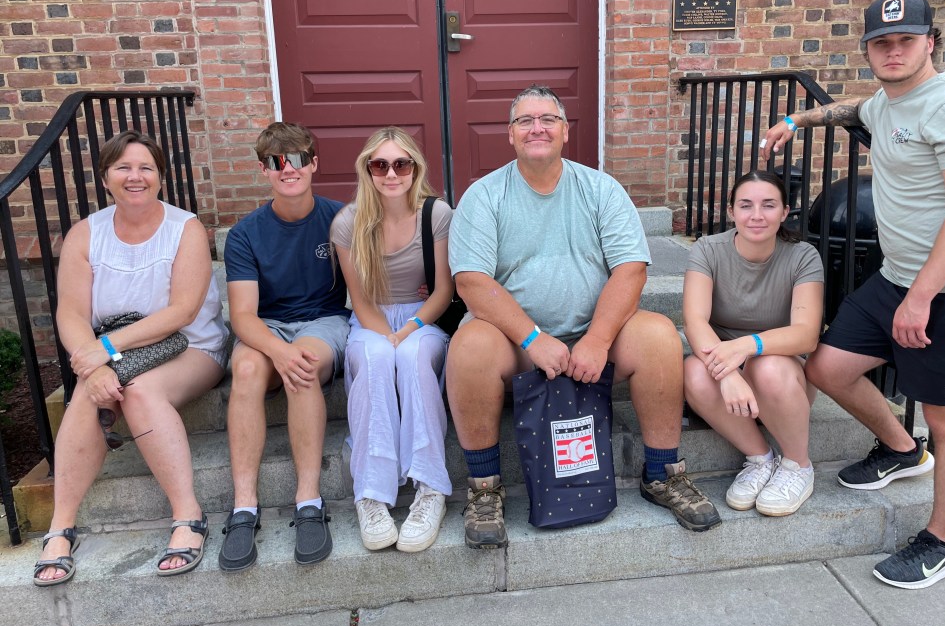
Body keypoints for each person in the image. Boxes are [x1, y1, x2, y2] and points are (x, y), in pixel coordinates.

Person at [761, 0, 945, 588]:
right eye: (882, 42)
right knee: (827, 367)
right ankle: (902, 450)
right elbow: (858, 109)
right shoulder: (888, 102)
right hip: (898, 278)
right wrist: (799, 119)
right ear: (871, 49)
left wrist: (921, 298)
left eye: (906, 40)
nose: (893, 51)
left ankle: (944, 540)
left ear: (932, 43)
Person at [447, 84, 720, 549]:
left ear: (565, 131)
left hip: (596, 339)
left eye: (548, 119)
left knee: (657, 334)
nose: (537, 128)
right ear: (510, 135)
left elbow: (631, 270)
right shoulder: (485, 195)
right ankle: (485, 490)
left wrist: (596, 339)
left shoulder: (600, 189)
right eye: (525, 121)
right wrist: (533, 338)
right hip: (517, 345)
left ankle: (663, 473)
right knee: (469, 344)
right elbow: (472, 283)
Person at [33, 131, 229, 585]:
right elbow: (71, 311)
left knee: (137, 392)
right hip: (114, 354)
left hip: (190, 347)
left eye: (146, 168)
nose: (135, 177)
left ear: (160, 177)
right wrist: (96, 364)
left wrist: (102, 350)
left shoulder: (186, 229)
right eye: (123, 167)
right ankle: (61, 525)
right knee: (89, 392)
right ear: (106, 177)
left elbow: (182, 311)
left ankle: (187, 515)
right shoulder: (86, 234)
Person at [219, 121, 349, 571]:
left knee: (306, 363)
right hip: (266, 324)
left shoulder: (339, 218)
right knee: (249, 370)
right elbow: (242, 316)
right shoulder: (246, 233)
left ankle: (308, 499)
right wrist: (277, 349)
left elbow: (368, 286)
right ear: (264, 169)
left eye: (296, 160)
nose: (287, 169)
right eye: (276, 162)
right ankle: (243, 508)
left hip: (324, 320)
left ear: (313, 164)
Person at [331, 128, 454, 553]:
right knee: (377, 355)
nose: (390, 174)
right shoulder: (348, 223)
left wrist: (406, 332)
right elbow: (361, 301)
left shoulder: (435, 214)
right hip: (370, 320)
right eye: (380, 164)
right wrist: (386, 335)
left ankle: (430, 488)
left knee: (416, 355)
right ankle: (371, 494)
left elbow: (442, 292)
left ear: (415, 168)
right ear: (368, 169)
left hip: (422, 320)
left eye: (401, 164)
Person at [682, 170, 824, 517]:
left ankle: (797, 465)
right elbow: (695, 321)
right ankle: (760, 458)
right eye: (746, 205)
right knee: (693, 370)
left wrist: (745, 347)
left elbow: (806, 334)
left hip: (782, 380)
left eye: (768, 205)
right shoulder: (708, 250)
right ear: (731, 211)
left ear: (785, 211)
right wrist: (728, 374)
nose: (756, 215)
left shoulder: (803, 256)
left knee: (767, 365)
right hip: (726, 381)